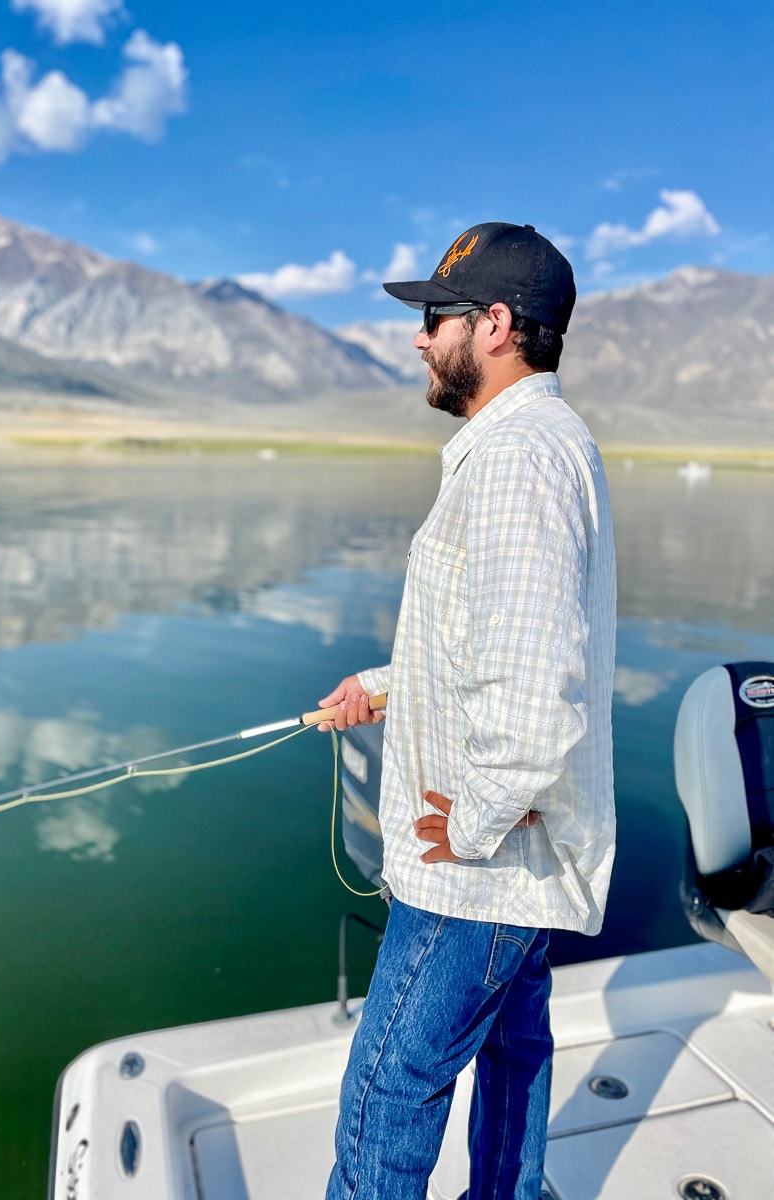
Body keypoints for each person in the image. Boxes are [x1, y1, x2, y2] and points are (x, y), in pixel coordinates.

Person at [320, 222, 617, 1200]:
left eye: (434, 318)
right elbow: (490, 642)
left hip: (473, 875)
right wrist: (384, 687)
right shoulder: (527, 448)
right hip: (512, 863)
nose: (419, 338)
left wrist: (475, 820)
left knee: (388, 1088)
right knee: (517, 1047)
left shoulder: (518, 461)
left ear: (493, 325)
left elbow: (535, 697)